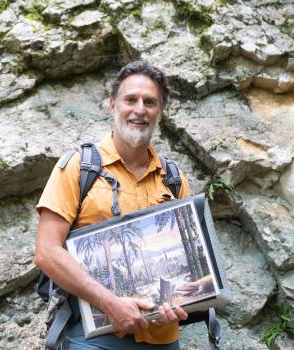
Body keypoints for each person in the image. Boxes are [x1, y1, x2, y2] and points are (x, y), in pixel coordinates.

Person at [34, 61, 189, 350]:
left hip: (163, 338)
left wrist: (182, 301)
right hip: (93, 336)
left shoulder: (175, 178)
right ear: (112, 105)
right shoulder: (80, 166)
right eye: (130, 99)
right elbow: (46, 252)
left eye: (150, 102)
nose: (139, 109)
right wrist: (109, 302)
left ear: (160, 112)